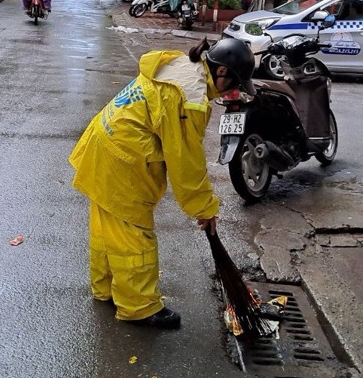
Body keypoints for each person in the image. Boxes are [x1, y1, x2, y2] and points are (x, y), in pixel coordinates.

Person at [69, 38, 256, 330]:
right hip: (122, 160)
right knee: (133, 235)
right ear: (221, 73)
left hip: (103, 144)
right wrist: (204, 208)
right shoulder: (189, 98)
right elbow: (186, 163)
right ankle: (139, 307)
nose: (233, 91)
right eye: (234, 83)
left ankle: (106, 288)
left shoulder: (182, 66)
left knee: (108, 229)